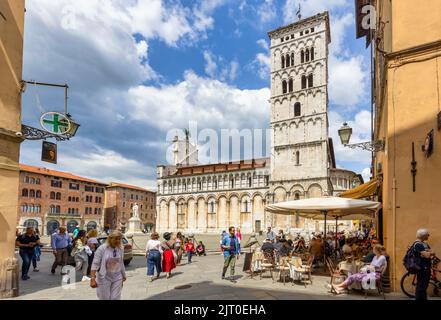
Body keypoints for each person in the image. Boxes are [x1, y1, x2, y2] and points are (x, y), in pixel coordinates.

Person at [90, 231, 126, 300]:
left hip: (117, 276)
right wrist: (92, 279)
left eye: (119, 239)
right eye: (116, 239)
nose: (118, 241)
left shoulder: (120, 248)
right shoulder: (102, 248)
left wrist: (123, 275)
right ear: (110, 239)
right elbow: (95, 264)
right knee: (104, 298)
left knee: (115, 298)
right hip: (104, 276)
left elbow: (121, 262)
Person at [412, 228, 435, 300]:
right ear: (423, 235)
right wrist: (427, 253)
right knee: (421, 286)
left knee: (424, 286)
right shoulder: (417, 244)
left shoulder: (424, 243)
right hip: (422, 267)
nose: (428, 235)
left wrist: (428, 253)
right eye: (427, 234)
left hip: (426, 267)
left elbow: (432, 252)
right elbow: (427, 255)